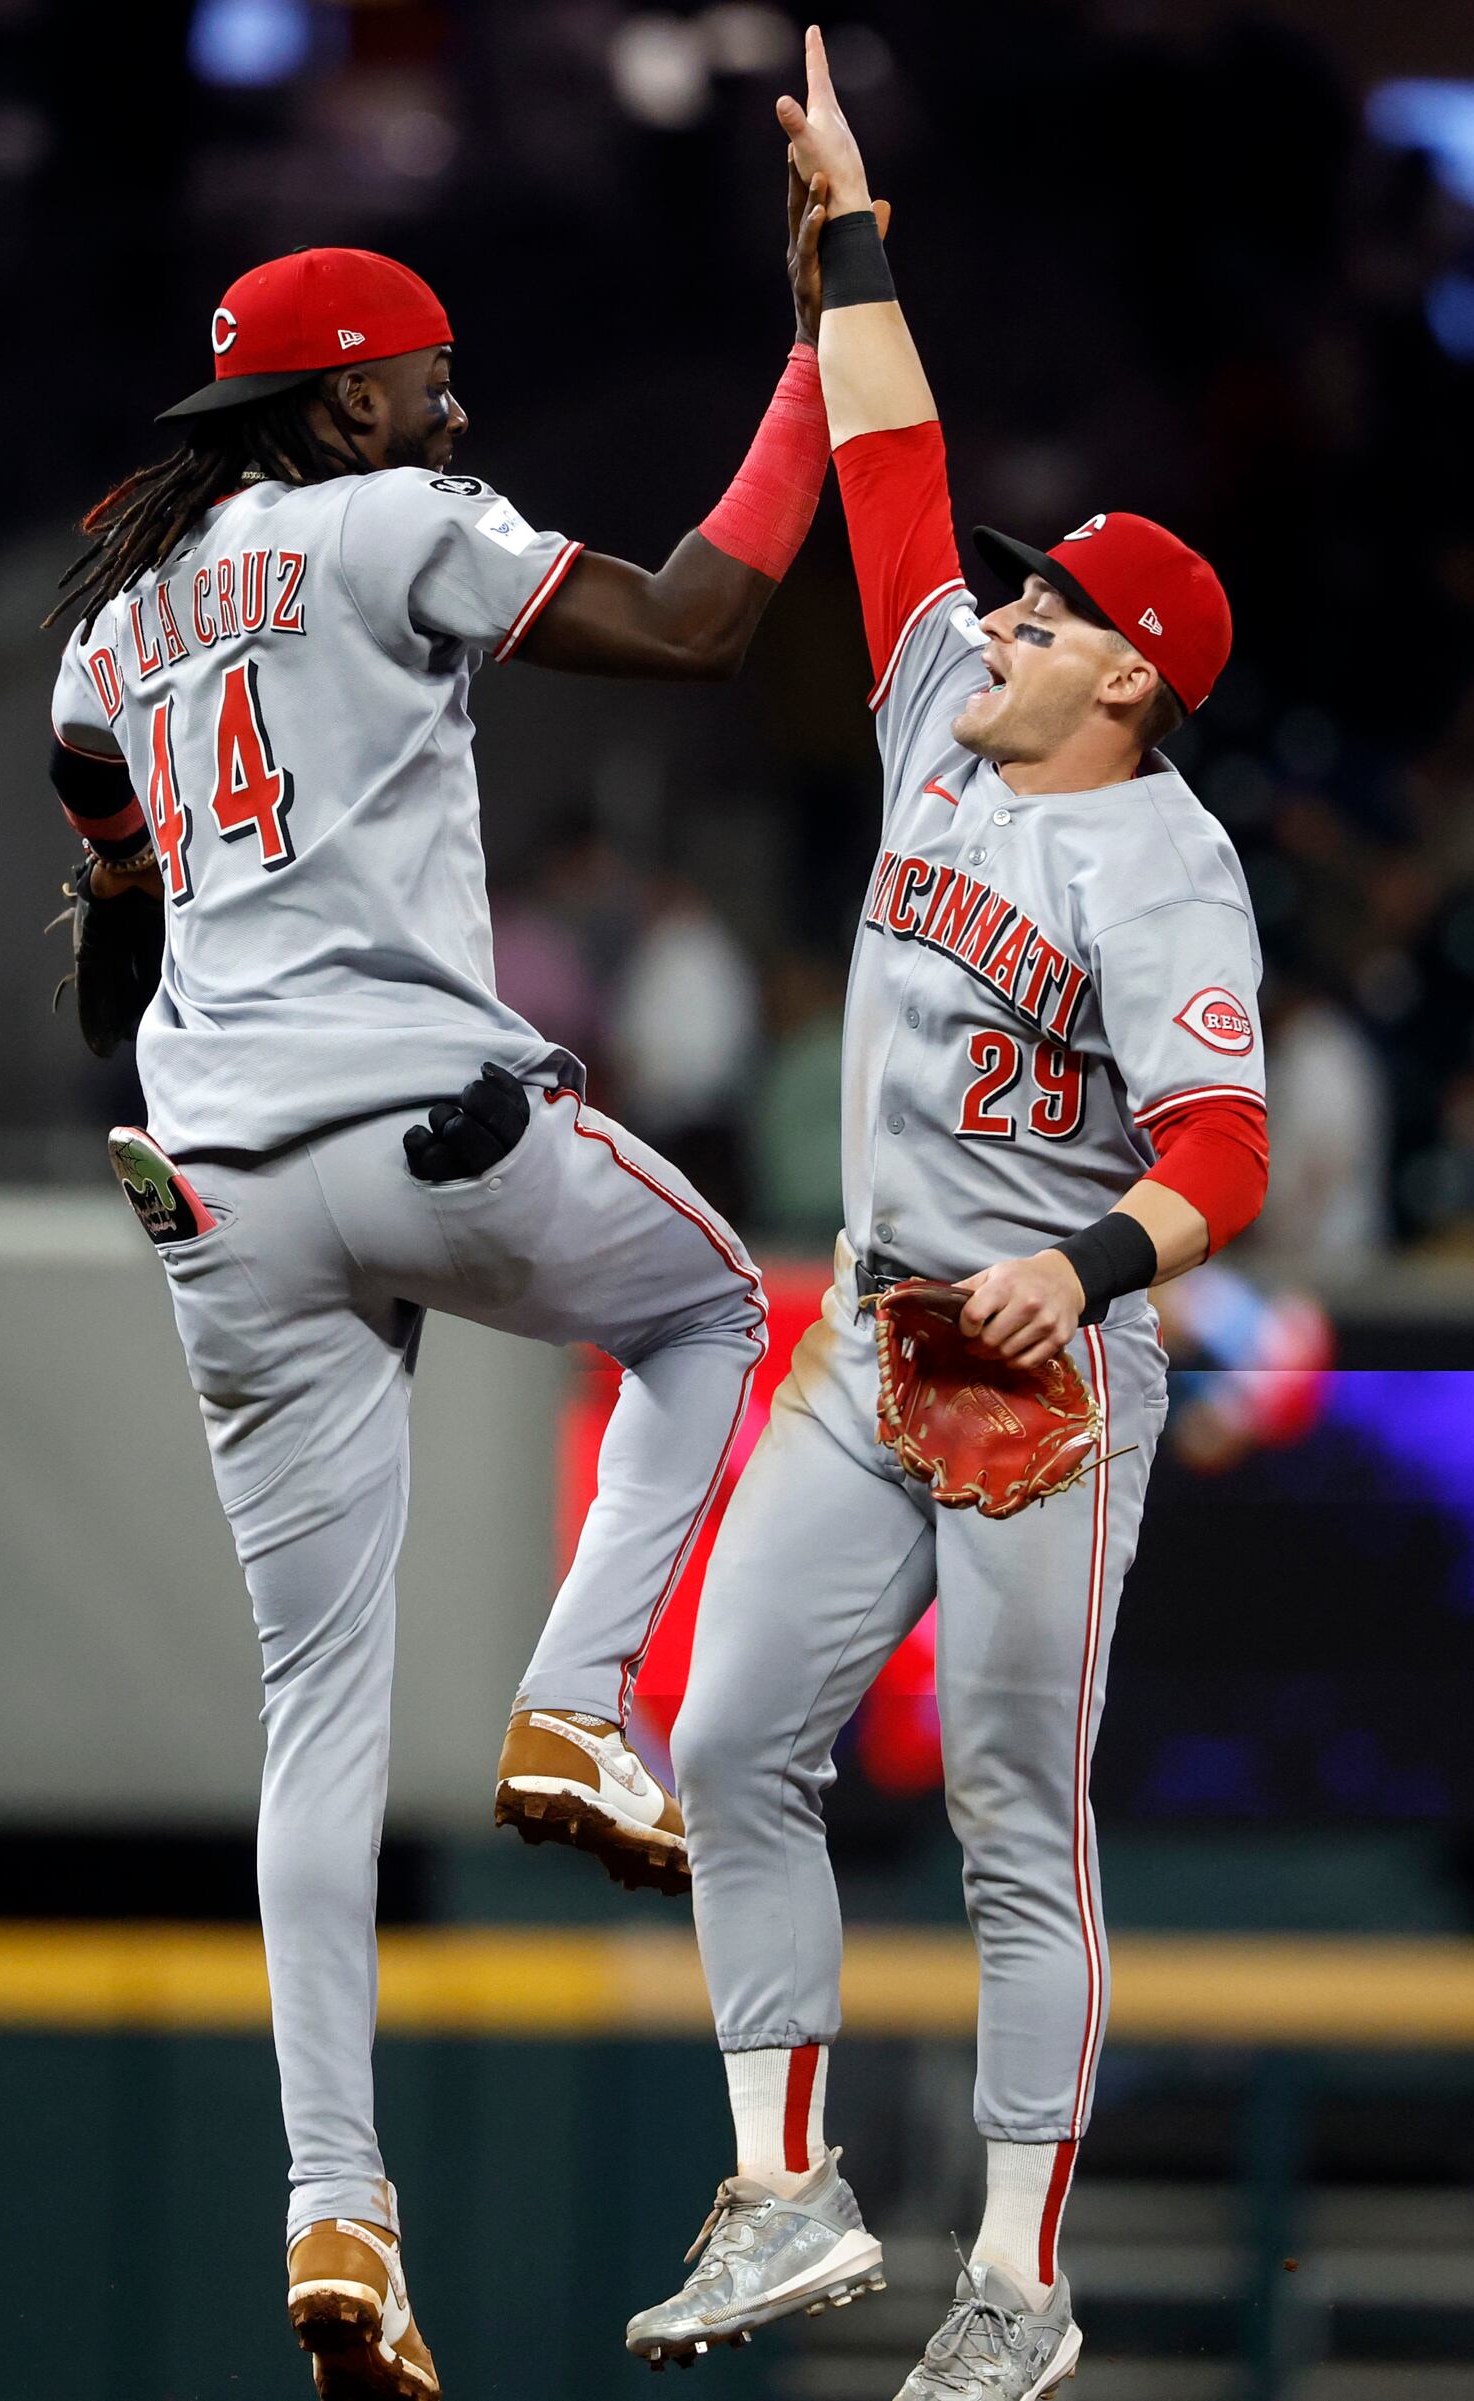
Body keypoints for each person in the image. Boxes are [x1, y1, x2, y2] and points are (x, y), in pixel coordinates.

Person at [45, 208, 841, 2398]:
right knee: (704, 1319)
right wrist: (805, 361)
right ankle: (580, 1696)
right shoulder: (398, 516)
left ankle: (335, 2208)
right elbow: (695, 626)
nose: (456, 401)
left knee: (316, 1713)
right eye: (424, 373)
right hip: (424, 1125)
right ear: (342, 406)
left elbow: (113, 940)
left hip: (213, 1187)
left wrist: (187, 926)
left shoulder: (103, 634)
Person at [628, 32, 1270, 2400]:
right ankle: (789, 2197)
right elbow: (888, 459)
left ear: (1128, 673)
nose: (994, 613)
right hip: (874, 1328)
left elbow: (1222, 1159)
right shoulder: (931, 696)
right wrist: (855, 224)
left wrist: (1085, 1269)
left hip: (1045, 1357)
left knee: (1016, 1811)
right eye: (1008, 597)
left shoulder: (1162, 863)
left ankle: (1015, 2273)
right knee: (720, 1746)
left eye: (1044, 610)